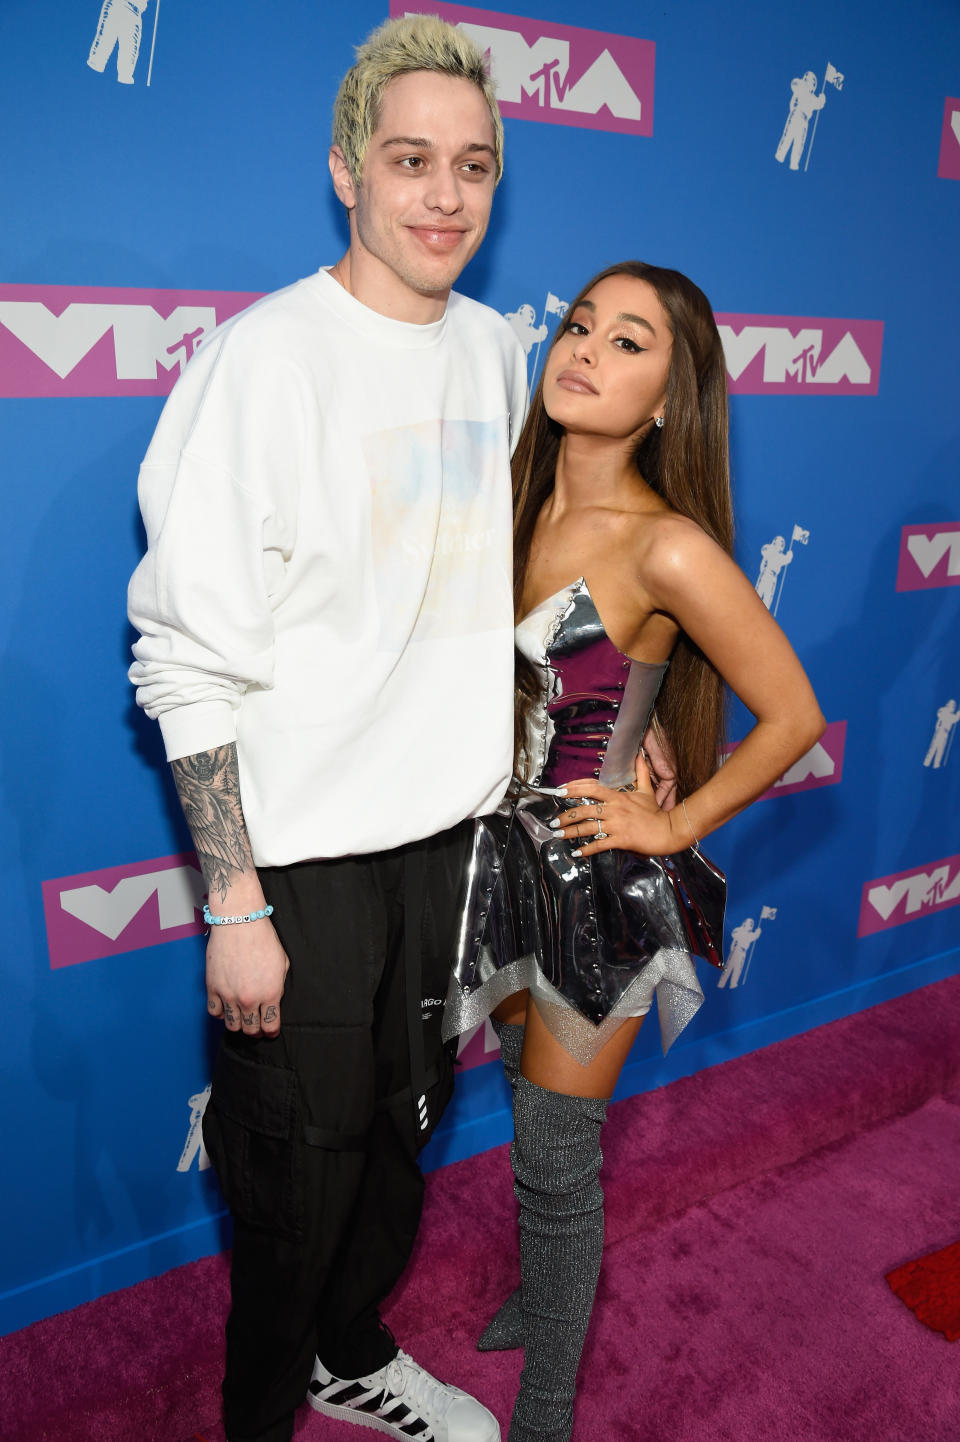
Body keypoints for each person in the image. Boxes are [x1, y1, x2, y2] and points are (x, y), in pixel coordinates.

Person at [127, 16, 526, 1442]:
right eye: (411, 160)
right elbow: (182, 659)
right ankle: (257, 1413)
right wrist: (232, 895)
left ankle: (351, 1352)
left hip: (450, 847)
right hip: (303, 867)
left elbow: (513, 588)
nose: (443, 195)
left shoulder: (495, 351)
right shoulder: (265, 363)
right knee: (294, 1175)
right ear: (347, 171)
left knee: (404, 1144)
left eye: (471, 165)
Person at [442, 261, 826, 1442]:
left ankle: (548, 1407)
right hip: (484, 861)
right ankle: (535, 1302)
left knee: (558, 1156)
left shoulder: (665, 547)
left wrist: (672, 819)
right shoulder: (506, 498)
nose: (586, 350)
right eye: (578, 326)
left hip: (592, 883)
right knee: (521, 1105)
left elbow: (796, 714)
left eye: (629, 341)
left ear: (671, 397)